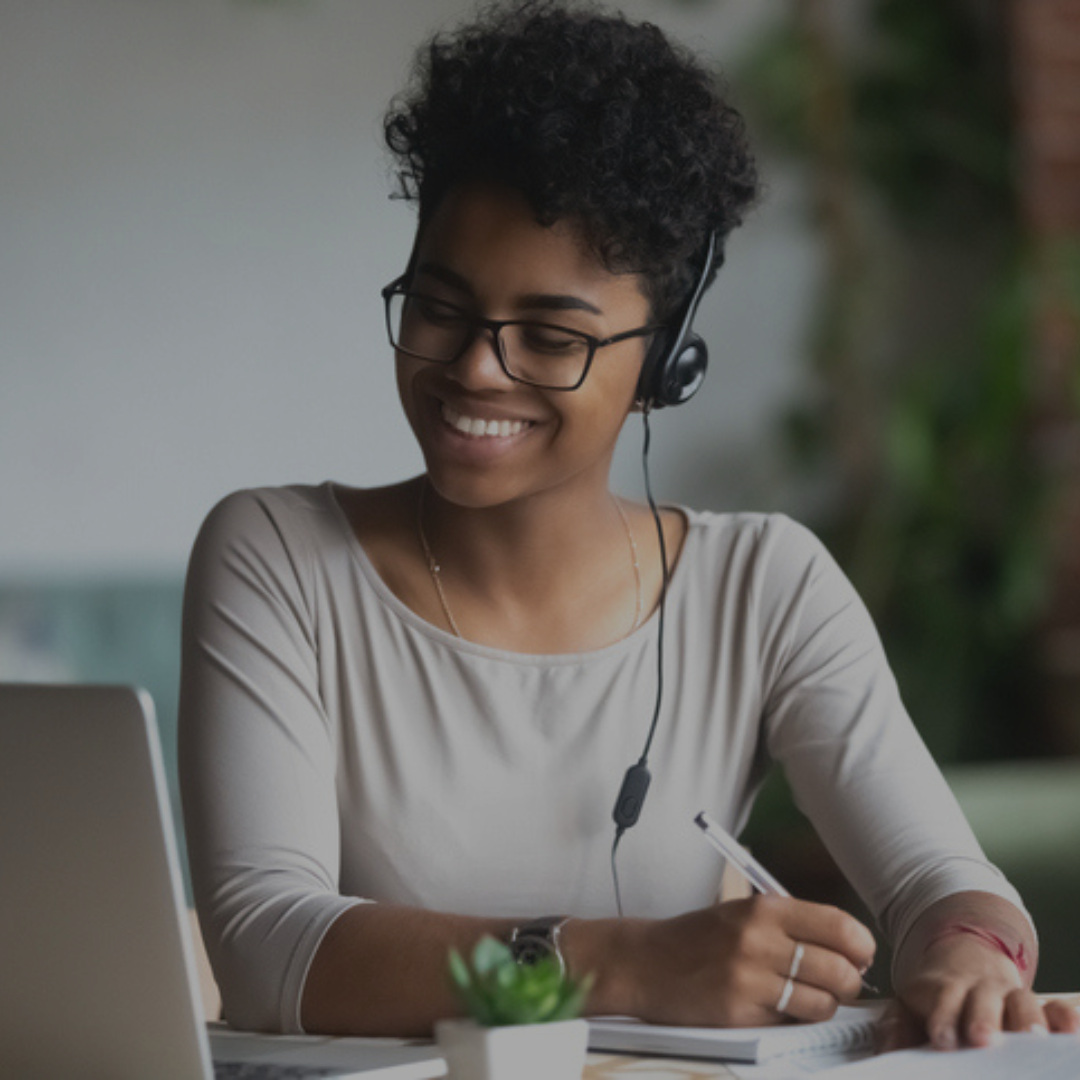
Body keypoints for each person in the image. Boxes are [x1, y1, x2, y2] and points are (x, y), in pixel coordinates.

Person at [179, 0, 1079, 1051]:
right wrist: (630, 963)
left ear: (662, 367)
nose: (477, 366)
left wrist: (967, 954)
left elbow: (946, 884)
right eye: (441, 307)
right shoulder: (278, 558)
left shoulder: (764, 585)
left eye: (552, 337)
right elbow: (262, 947)